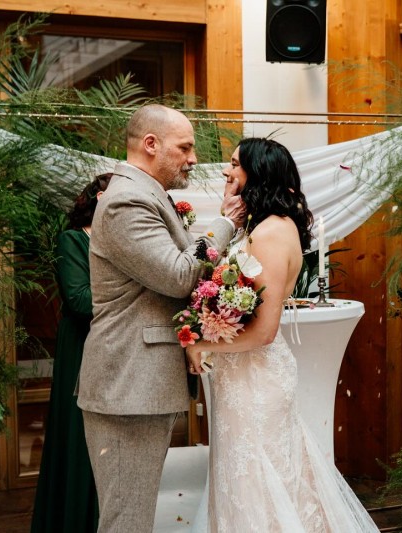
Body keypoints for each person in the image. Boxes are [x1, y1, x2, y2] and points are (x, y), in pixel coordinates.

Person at [185, 138, 380, 532]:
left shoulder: (272, 232)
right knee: (244, 481)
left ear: (258, 173)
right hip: (240, 377)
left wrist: (198, 342)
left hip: (256, 381)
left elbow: (264, 332)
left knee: (259, 484)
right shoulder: (259, 227)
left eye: (235, 164)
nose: (226, 170)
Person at [77, 104, 245, 532]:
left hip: (138, 385)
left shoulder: (148, 194)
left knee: (133, 516)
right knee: (126, 521)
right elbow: (178, 275)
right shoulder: (126, 201)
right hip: (127, 386)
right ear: (151, 144)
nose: (193, 158)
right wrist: (225, 223)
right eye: (184, 147)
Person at [30, 174, 110, 533]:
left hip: (112, 346)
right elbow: (79, 300)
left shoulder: (123, 242)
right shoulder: (73, 240)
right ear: (100, 198)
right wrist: (130, 297)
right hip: (81, 345)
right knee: (79, 434)